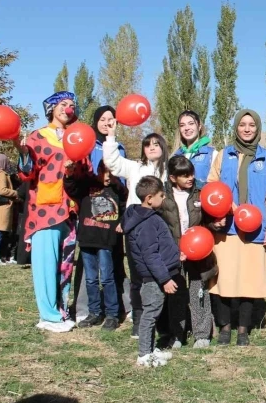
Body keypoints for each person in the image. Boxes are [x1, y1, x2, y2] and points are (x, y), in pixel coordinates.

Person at [14, 91, 88, 332]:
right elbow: (26, 174)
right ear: (52, 109)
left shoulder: (76, 138)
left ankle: (61, 310)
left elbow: (83, 173)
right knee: (46, 264)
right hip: (44, 209)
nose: (68, 108)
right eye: (62, 104)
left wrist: (72, 170)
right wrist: (23, 152)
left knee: (65, 264)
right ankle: (48, 315)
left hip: (70, 210)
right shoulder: (37, 137)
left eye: (71, 105)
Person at [207, 109, 266, 347]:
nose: (247, 129)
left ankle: (243, 330)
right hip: (226, 228)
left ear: (257, 129)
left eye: (252, 125)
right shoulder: (224, 154)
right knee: (223, 280)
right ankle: (225, 328)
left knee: (249, 280)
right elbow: (211, 185)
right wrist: (221, 209)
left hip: (255, 229)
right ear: (235, 127)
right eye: (242, 125)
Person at [104, 125, 169, 338]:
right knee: (138, 276)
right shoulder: (134, 167)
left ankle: (162, 322)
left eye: (156, 144)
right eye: (147, 144)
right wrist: (111, 136)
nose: (151, 147)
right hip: (137, 229)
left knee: (162, 273)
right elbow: (112, 163)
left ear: (163, 147)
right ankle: (139, 320)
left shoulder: (168, 170)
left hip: (163, 227)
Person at [74, 105, 130, 324]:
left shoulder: (120, 147)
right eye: (103, 119)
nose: (107, 122)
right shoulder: (86, 144)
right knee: (89, 273)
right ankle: (89, 309)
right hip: (88, 216)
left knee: (112, 267)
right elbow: (77, 179)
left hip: (110, 218)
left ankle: (115, 310)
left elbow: (122, 184)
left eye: (111, 119)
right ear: (95, 121)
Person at [123, 176, 185, 367]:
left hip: (158, 275)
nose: (164, 197)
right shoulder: (147, 223)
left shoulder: (148, 217)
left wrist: (176, 257)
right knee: (150, 314)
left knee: (153, 312)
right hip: (154, 278)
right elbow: (150, 255)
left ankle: (150, 349)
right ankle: (143, 355)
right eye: (161, 195)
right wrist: (165, 279)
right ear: (149, 198)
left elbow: (161, 248)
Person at [159, 156, 217, 349]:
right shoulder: (163, 197)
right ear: (173, 178)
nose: (190, 178)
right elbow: (160, 226)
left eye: (191, 173)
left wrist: (214, 224)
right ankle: (177, 335)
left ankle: (202, 334)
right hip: (174, 254)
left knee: (199, 292)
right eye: (185, 175)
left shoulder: (199, 194)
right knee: (176, 295)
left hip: (198, 254)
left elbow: (207, 220)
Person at [63, 160, 127, 331]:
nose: (107, 176)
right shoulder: (87, 184)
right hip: (87, 239)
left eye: (111, 172)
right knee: (91, 279)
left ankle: (112, 314)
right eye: (104, 172)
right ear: (98, 171)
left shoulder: (118, 189)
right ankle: (94, 312)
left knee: (107, 278)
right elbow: (71, 188)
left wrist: (121, 222)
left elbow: (125, 205)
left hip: (106, 240)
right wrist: (68, 174)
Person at [174, 110, 218, 189]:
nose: (187, 128)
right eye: (182, 125)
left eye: (191, 123)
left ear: (199, 126)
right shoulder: (176, 156)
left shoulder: (212, 154)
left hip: (202, 200)